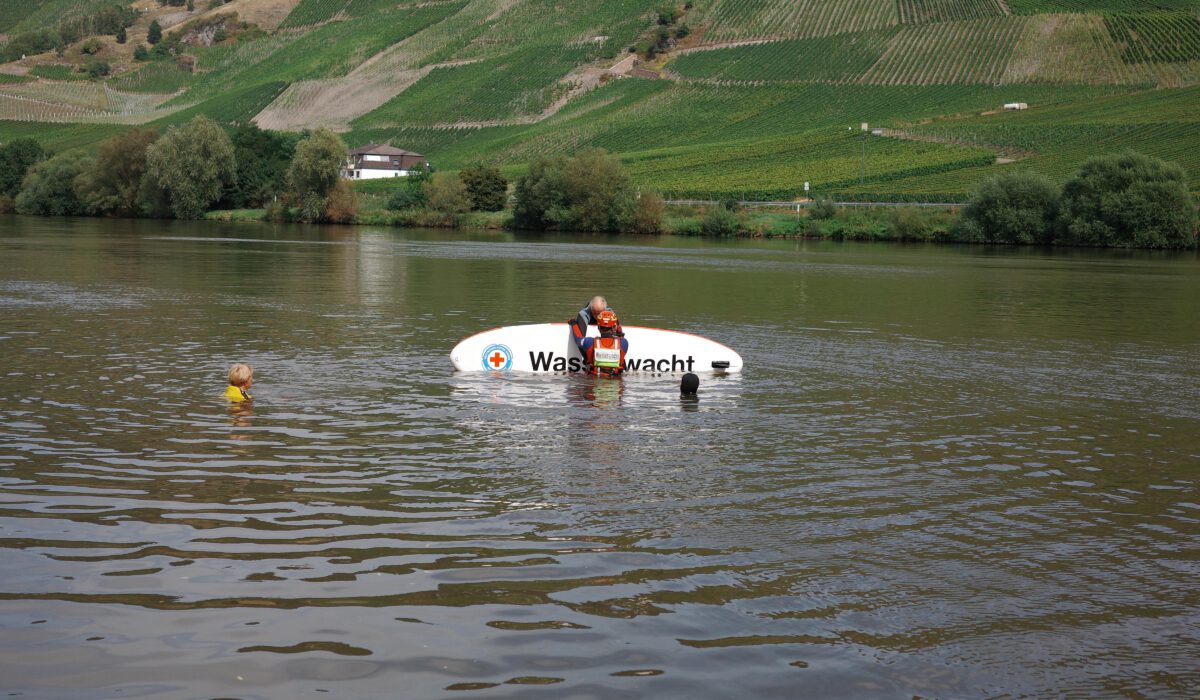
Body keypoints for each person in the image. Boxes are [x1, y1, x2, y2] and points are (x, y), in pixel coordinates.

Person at [585, 310, 628, 376]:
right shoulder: (623, 343)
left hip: (594, 382)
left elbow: (577, 338)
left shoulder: (589, 342)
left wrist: (574, 324)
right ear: (614, 328)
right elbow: (620, 337)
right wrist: (619, 331)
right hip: (616, 383)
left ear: (598, 327)